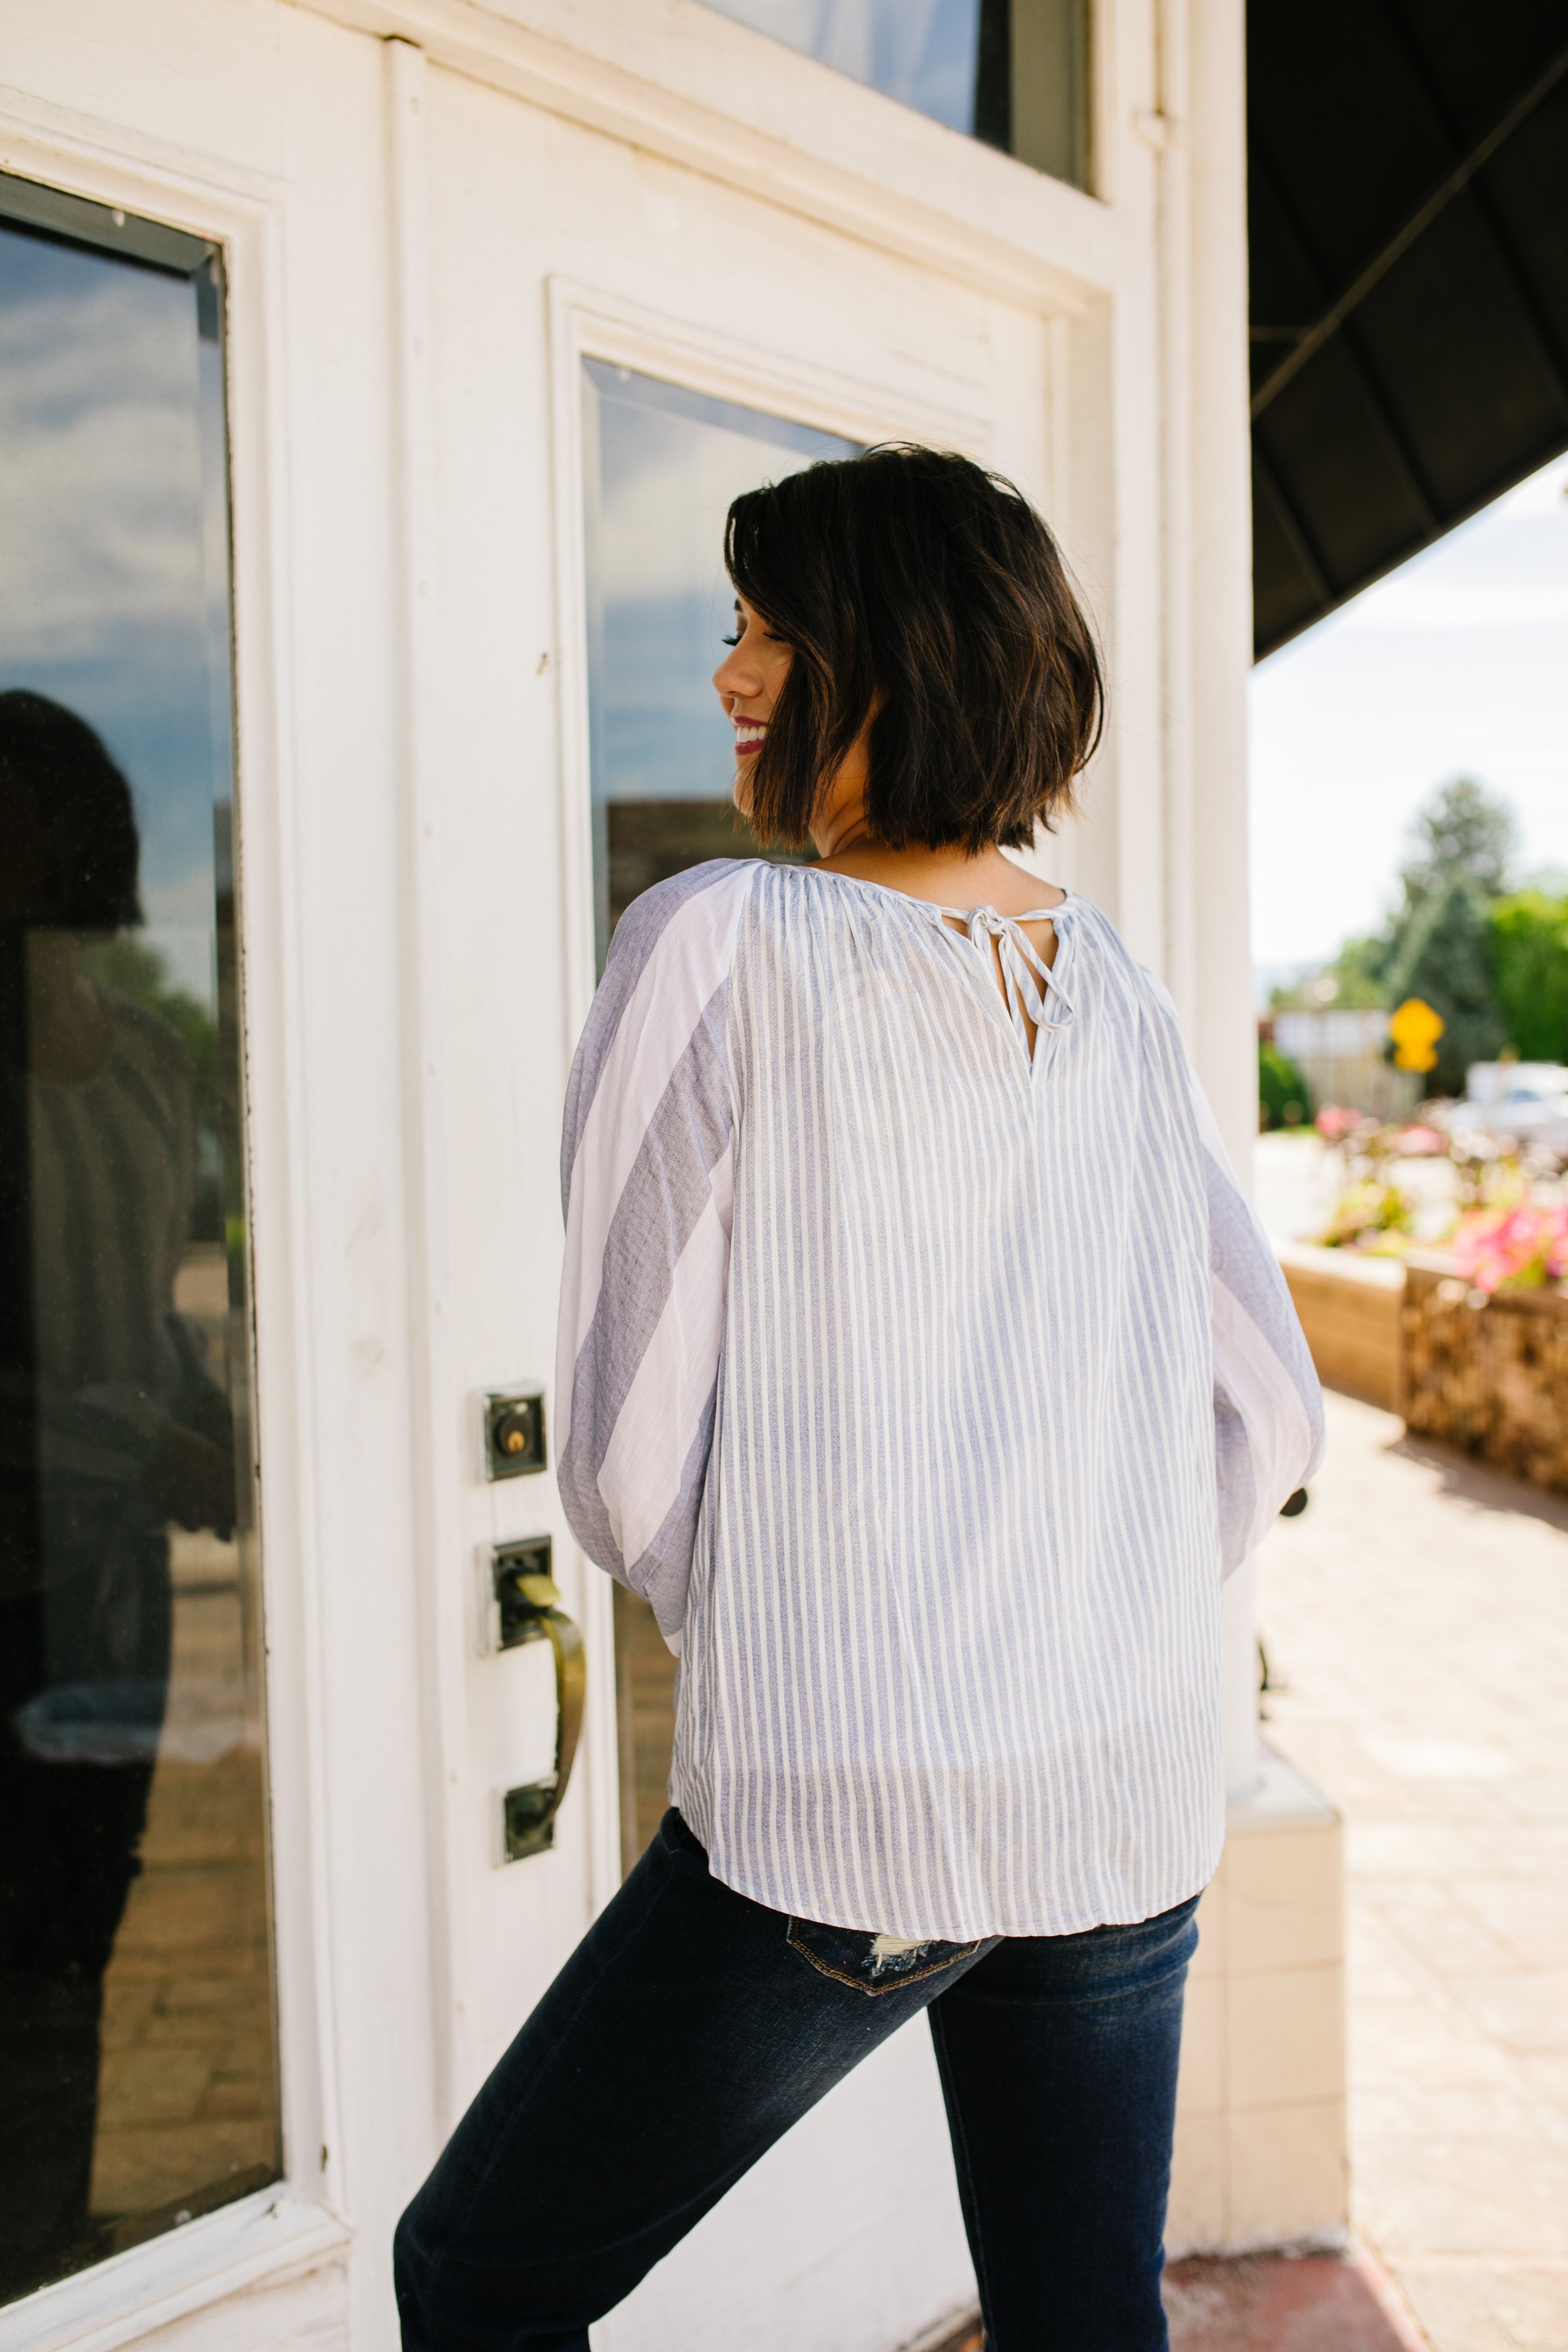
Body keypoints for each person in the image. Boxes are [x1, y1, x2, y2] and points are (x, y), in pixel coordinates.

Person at [395, 447, 1323, 2351]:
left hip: (854, 1795)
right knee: (1083, 2322)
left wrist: (827, 1629)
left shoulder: (718, 944)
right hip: (1118, 1778)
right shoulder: (1118, 991)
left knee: (478, 2274)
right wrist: (1096, 1609)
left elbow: (631, 1461)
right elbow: (1273, 1402)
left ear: (885, 654)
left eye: (764, 631)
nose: (731, 678)